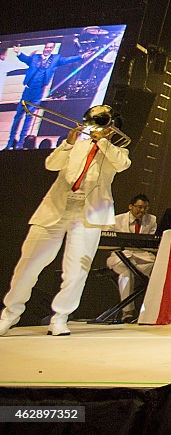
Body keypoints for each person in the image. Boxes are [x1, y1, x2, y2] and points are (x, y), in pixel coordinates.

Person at [0, 121, 130, 336]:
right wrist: (68, 143)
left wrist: (104, 141)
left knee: (76, 270)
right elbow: (51, 164)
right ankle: (10, 314)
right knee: (28, 265)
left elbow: (121, 164)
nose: (96, 127)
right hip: (56, 207)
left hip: (89, 213)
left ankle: (60, 317)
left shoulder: (117, 150)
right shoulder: (75, 145)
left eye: (103, 124)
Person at [5, 42, 86, 150]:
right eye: (46, 47)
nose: (47, 49)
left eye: (50, 48)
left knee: (29, 117)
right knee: (18, 116)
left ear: (52, 49)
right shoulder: (35, 57)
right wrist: (19, 53)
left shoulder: (56, 59)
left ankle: (20, 144)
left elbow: (67, 60)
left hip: (38, 92)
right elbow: (25, 59)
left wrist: (81, 57)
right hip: (28, 90)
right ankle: (10, 143)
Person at [106, 193, 157, 322]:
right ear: (130, 206)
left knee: (158, 271)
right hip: (121, 256)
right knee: (126, 272)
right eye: (139, 207)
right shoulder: (116, 219)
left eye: (145, 208)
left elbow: (151, 242)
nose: (142, 211)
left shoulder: (152, 220)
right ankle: (127, 313)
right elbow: (107, 238)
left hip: (142, 257)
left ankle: (153, 310)